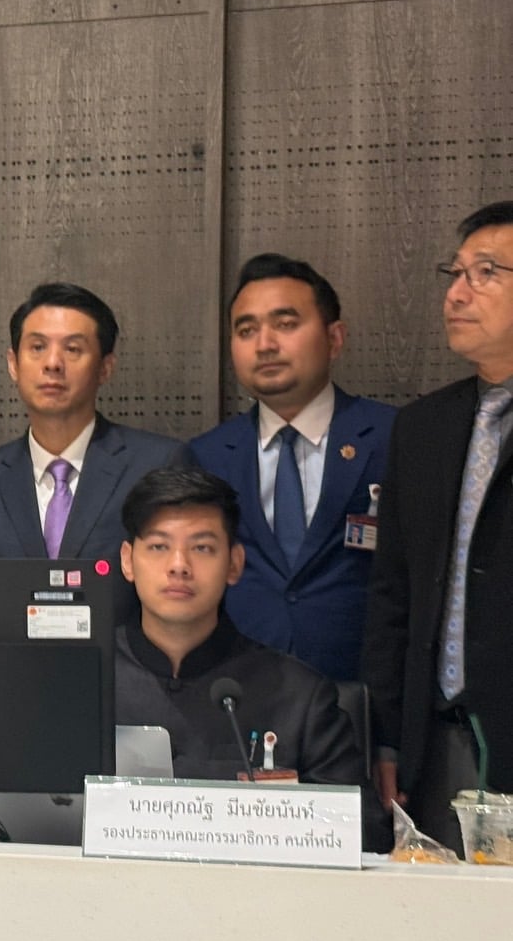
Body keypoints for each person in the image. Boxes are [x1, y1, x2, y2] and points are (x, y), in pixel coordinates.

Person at [363, 200, 513, 854]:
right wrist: (387, 735)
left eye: (486, 273)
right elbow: (392, 591)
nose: (456, 293)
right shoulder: (423, 427)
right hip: (436, 742)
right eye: (454, 273)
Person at [190, 254, 395, 680]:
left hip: (364, 690)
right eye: (246, 330)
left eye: (285, 324)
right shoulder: (206, 456)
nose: (264, 344)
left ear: (334, 338)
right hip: (242, 688)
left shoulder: (393, 437)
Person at [0, 283, 187, 624]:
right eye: (37, 347)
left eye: (73, 349)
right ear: (13, 364)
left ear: (105, 367)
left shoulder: (158, 466)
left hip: (123, 658)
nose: (53, 363)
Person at [115, 467, 360, 785]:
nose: (179, 566)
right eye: (159, 546)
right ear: (127, 561)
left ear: (234, 563)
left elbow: (356, 817)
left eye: (202, 548)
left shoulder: (301, 697)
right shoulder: (83, 683)